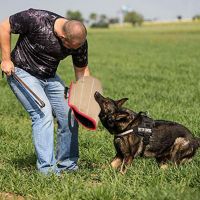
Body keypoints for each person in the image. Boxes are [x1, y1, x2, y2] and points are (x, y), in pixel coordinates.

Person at [0, 8, 90, 175]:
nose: (74, 50)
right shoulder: (36, 19)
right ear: (62, 37)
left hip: (49, 76)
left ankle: (68, 166)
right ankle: (47, 171)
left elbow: (82, 71)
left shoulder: (78, 41)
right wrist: (5, 59)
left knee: (70, 113)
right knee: (43, 113)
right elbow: (4, 26)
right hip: (21, 71)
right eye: (71, 47)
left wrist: (85, 98)